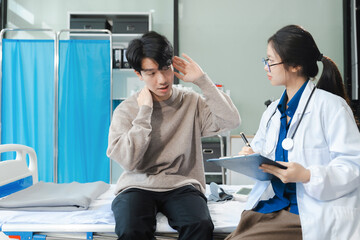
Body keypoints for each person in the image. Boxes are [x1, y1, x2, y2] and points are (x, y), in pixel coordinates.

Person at [226, 25, 360, 240]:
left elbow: (353, 166)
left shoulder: (332, 107)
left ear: (295, 65)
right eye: (266, 60)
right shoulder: (272, 112)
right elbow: (267, 155)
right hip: (272, 207)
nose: (266, 67)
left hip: (307, 213)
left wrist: (308, 175)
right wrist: (251, 157)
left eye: (270, 61)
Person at [107, 31, 241, 240]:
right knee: (131, 229)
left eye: (166, 69)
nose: (162, 79)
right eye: (151, 73)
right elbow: (128, 161)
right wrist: (144, 114)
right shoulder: (126, 110)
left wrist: (203, 81)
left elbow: (230, 121)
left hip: (182, 185)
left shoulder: (190, 101)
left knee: (200, 225)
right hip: (137, 185)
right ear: (138, 74)